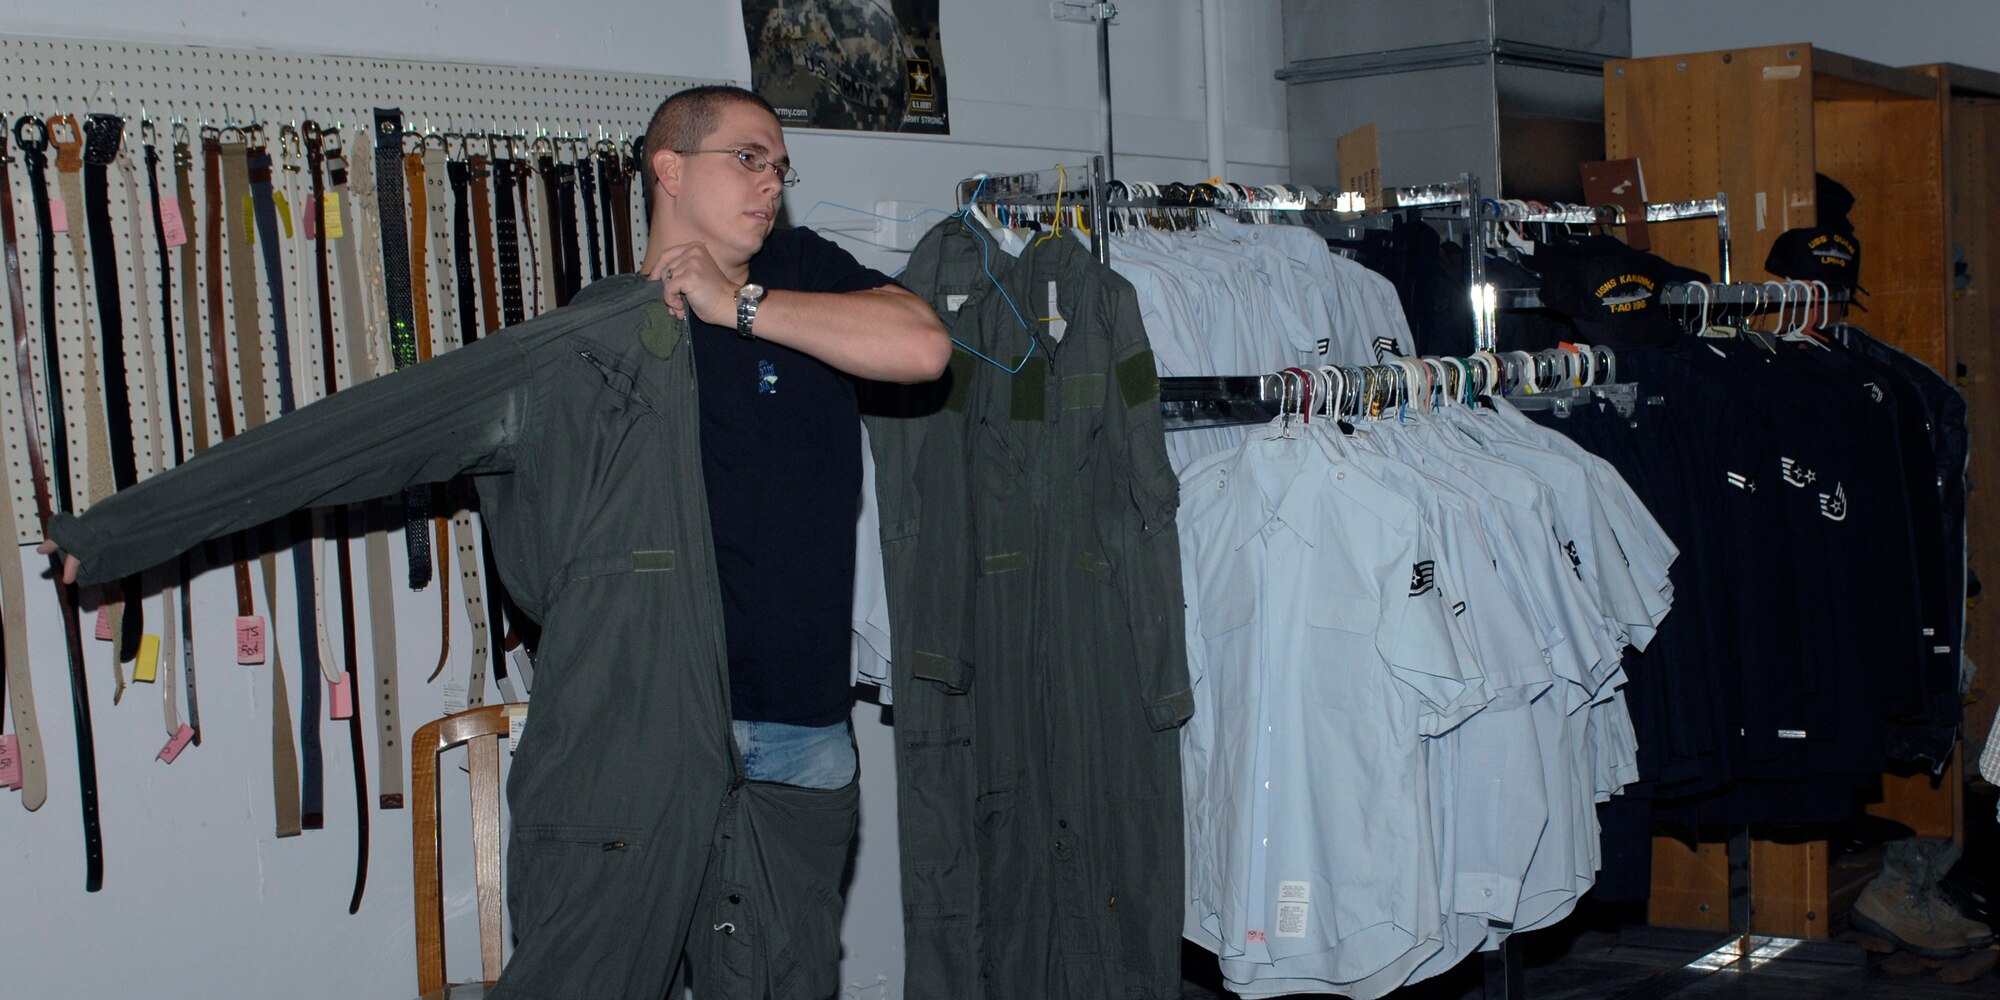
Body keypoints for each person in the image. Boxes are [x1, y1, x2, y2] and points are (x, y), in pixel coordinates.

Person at [43, 84, 950, 999]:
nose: (772, 181)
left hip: (798, 744)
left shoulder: (803, 275)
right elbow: (356, 435)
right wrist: (126, 530)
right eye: (748, 158)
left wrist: (736, 304)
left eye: (781, 166)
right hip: (629, 744)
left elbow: (922, 347)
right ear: (669, 169)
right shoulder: (588, 350)